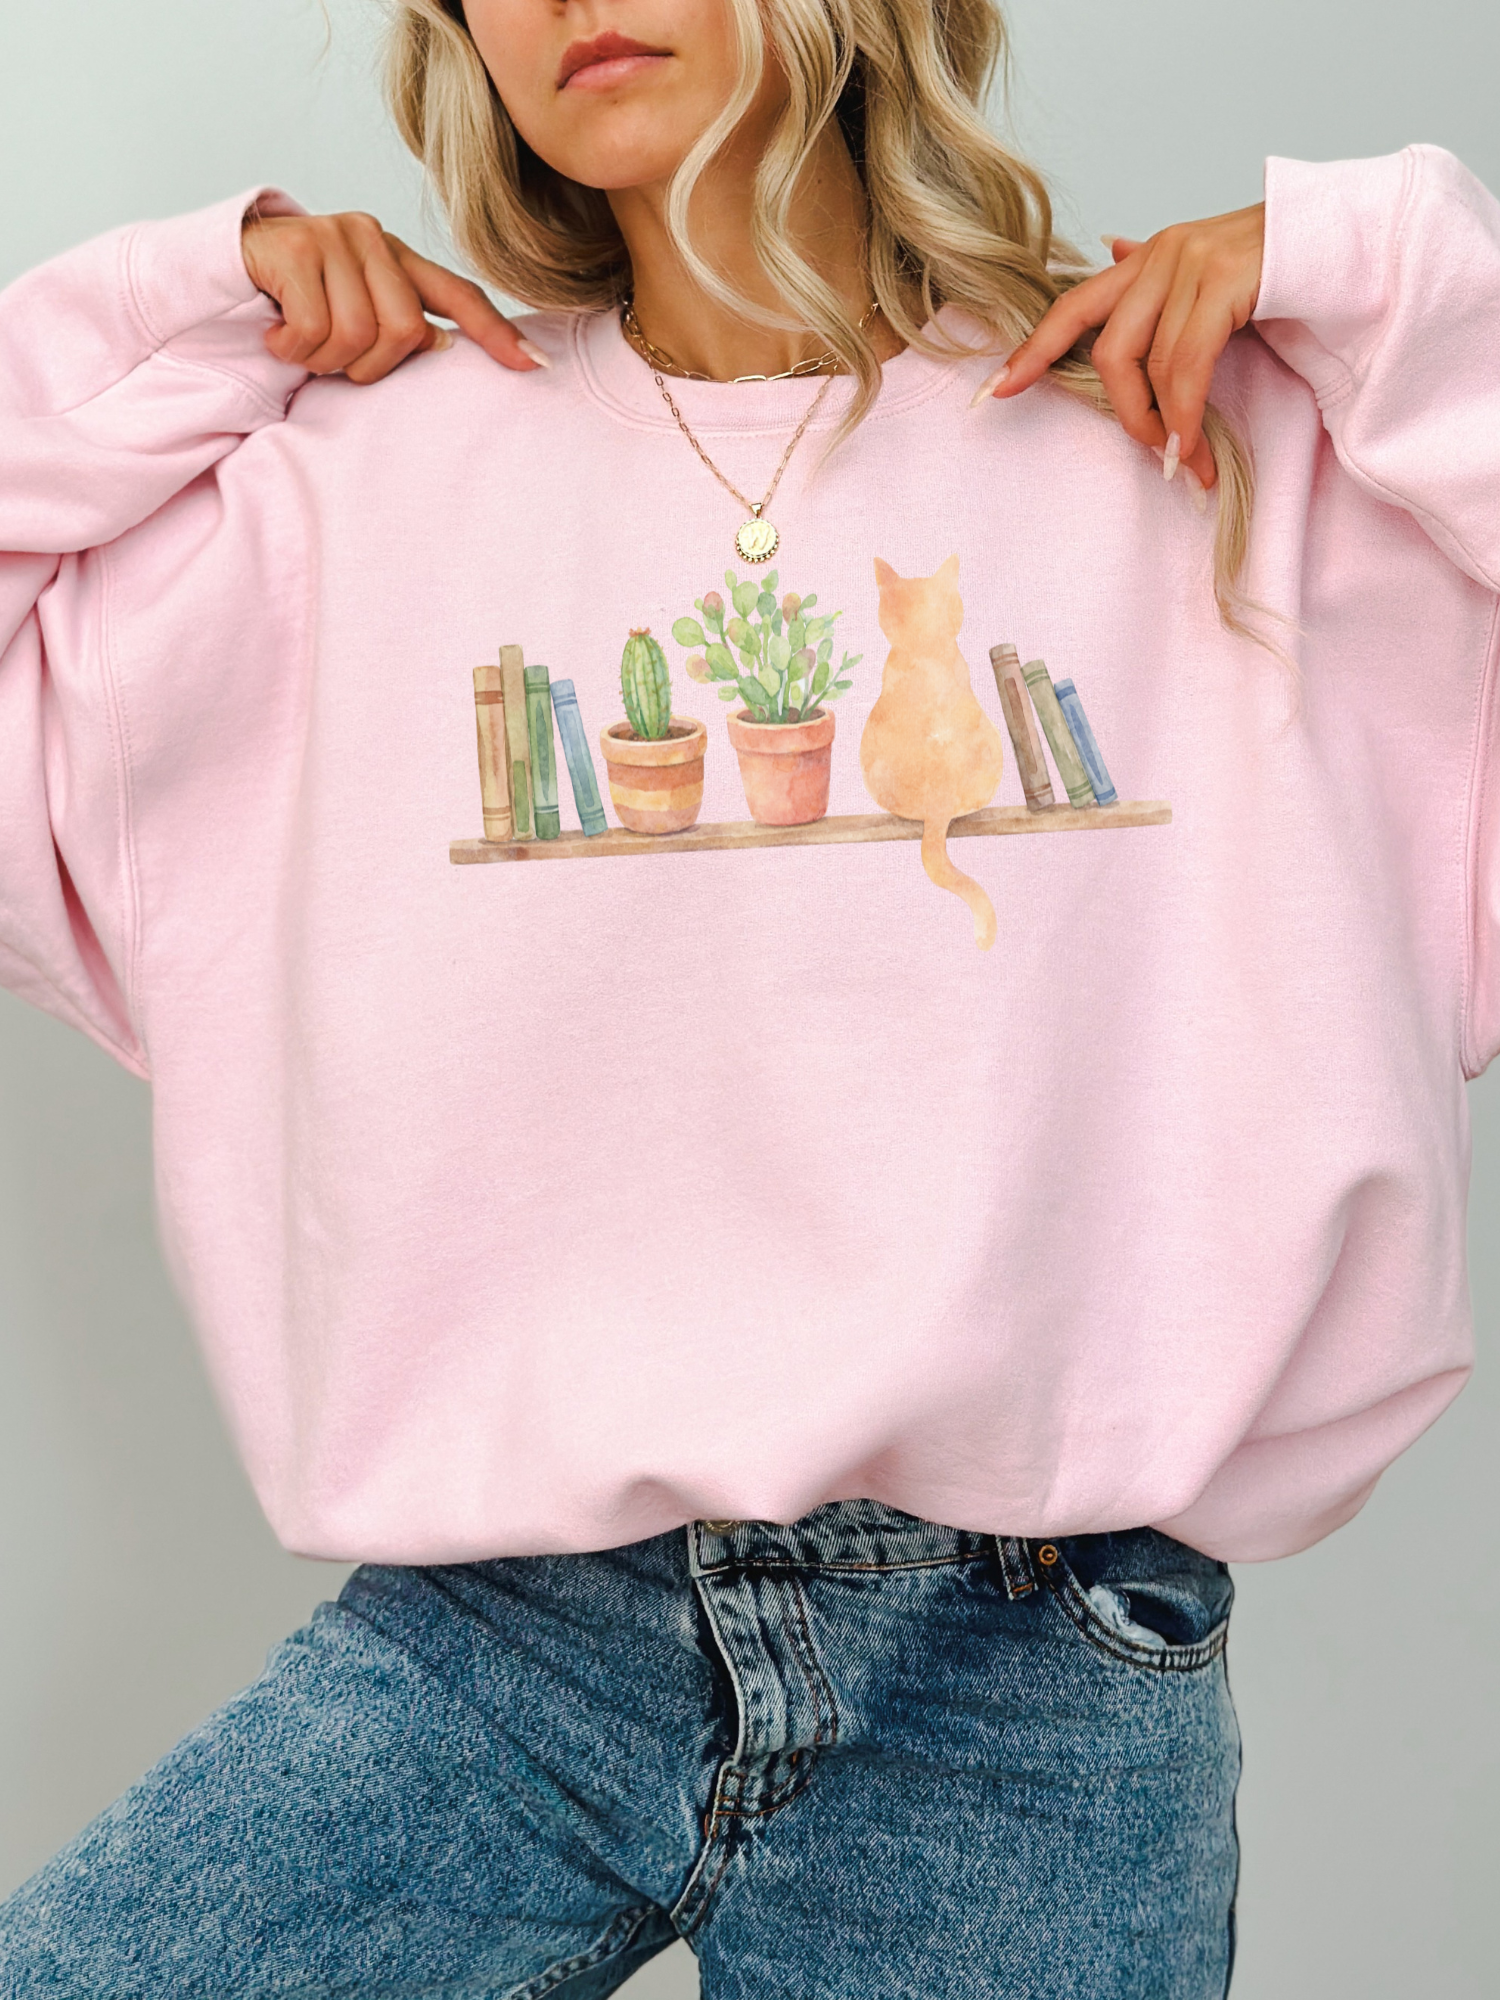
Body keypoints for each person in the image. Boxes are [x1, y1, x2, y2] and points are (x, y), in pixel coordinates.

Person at [0, 1, 1495, 1993]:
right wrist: (189, 306)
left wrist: (1368, 267)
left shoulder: (1209, 436)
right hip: (504, 1648)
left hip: (1034, 1684)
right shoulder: (331, 494)